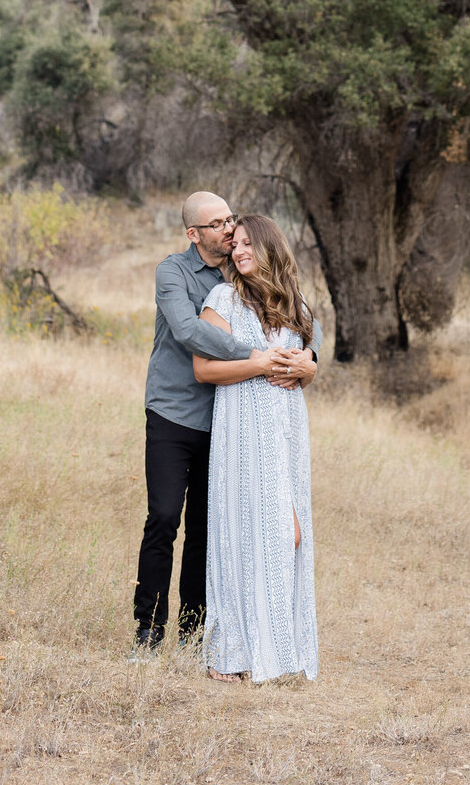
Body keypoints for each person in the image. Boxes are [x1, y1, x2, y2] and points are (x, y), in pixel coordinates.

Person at [132, 192, 316, 651]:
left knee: (207, 528)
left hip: (227, 421)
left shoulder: (241, 270)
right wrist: (258, 358)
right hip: (174, 412)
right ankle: (148, 630)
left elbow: (282, 317)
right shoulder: (172, 272)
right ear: (193, 234)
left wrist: (310, 358)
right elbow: (190, 331)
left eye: (231, 220)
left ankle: (195, 634)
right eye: (217, 224)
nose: (230, 230)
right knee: (164, 517)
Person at [193, 213, 321, 683]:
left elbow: (309, 358)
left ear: (270, 247)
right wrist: (259, 361)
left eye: (249, 243)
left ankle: (276, 650)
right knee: (247, 533)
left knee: (290, 534)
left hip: (285, 429)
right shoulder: (223, 298)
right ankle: (231, 654)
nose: (240, 250)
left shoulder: (293, 305)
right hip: (243, 427)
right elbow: (204, 369)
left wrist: (306, 368)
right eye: (236, 244)